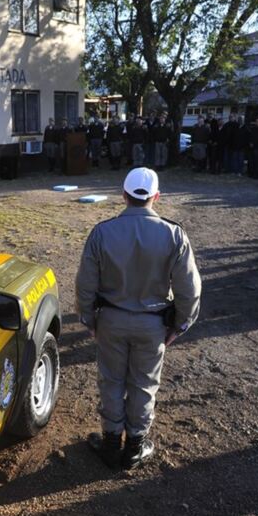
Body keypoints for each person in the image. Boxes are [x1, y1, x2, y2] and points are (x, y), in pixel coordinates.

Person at [76, 167, 202, 469]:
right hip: (153, 324)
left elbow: (85, 284)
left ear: (124, 195)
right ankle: (134, 447)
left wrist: (88, 319)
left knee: (111, 379)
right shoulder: (174, 234)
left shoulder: (101, 232)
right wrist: (181, 324)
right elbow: (189, 289)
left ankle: (110, 442)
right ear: (157, 197)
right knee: (144, 383)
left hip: (110, 320)